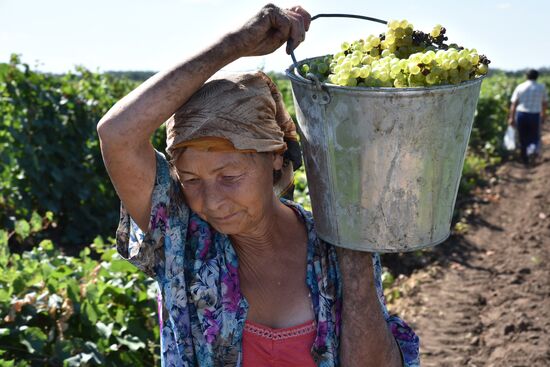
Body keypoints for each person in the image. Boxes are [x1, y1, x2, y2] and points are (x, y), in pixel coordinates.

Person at [97, 4, 419, 366]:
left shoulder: (333, 247)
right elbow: (117, 134)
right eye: (190, 179)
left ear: (276, 157)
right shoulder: (181, 237)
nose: (212, 201)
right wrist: (235, 44)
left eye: (229, 177)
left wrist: (355, 259)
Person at [508, 69, 548, 165]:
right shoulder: (541, 87)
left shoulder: (520, 87)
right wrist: (543, 115)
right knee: (534, 135)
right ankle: (532, 151)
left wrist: (511, 117)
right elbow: (545, 103)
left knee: (522, 136)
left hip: (522, 114)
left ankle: (524, 158)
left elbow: (514, 104)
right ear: (537, 77)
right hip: (535, 114)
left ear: (526, 76)